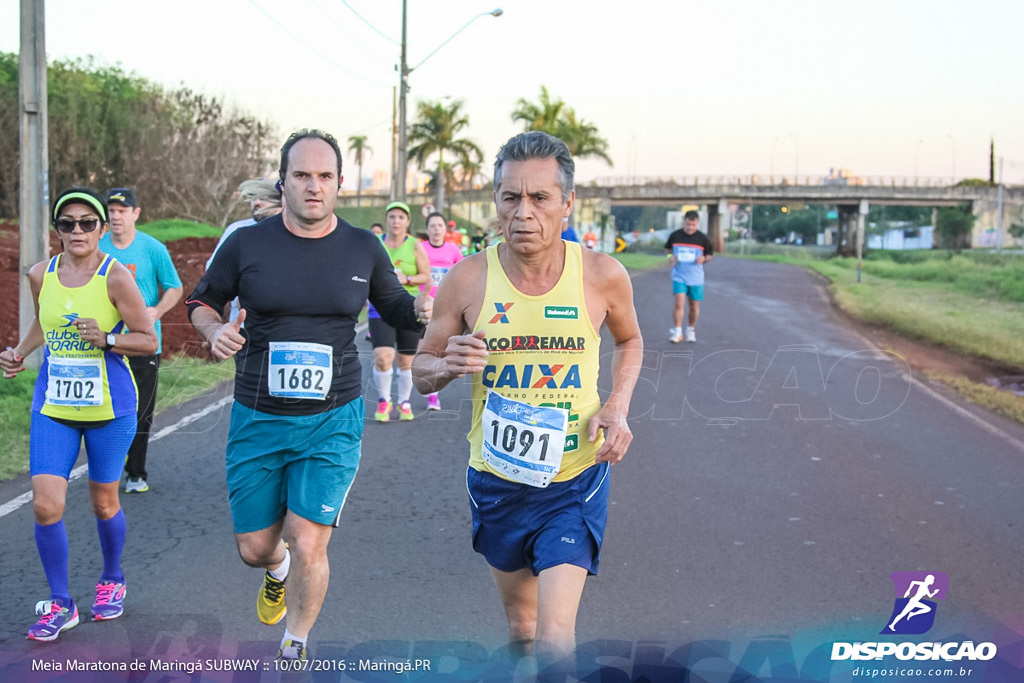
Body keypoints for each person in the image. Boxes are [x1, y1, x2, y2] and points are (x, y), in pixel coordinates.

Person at [185, 129, 430, 661]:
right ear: (284, 182)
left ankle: (294, 643)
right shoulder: (247, 243)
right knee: (255, 548)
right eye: (302, 175)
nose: (313, 186)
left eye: (324, 176)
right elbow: (201, 301)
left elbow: (394, 305)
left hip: (333, 417)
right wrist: (212, 331)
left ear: (340, 184)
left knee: (309, 537)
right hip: (258, 414)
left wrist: (430, 311)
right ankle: (275, 572)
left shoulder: (363, 247)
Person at [412, 131, 643, 669]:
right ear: (495, 201)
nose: (523, 212)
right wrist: (446, 366)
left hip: (574, 478)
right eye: (510, 197)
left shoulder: (602, 275)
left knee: (555, 637)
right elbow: (421, 370)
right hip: (497, 479)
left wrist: (617, 404)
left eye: (539, 198)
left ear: (567, 204)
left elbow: (630, 339)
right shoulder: (468, 279)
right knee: (523, 628)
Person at [1, 187, 158, 641]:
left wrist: (106, 339)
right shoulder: (39, 274)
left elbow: (147, 339)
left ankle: (111, 578)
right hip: (54, 406)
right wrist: (19, 351)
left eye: (87, 222)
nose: (77, 230)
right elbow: (43, 323)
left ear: (101, 228)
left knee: (103, 500)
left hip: (110, 407)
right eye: (67, 223)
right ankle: (61, 603)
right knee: (46, 504)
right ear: (57, 231)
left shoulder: (115, 277)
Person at [99, 188, 183, 493]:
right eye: (111, 210)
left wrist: (156, 310)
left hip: (144, 342)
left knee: (141, 409)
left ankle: (136, 472)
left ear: (136, 213)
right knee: (107, 407)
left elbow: (174, 287)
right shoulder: (98, 246)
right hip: (105, 342)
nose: (115, 216)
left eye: (122, 210)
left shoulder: (153, 249)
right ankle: (109, 463)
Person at [368, 200, 430, 422]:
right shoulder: (375, 243)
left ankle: (404, 402)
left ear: (407, 221)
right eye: (392, 217)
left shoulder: (414, 245)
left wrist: (408, 279)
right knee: (383, 357)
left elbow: (427, 276)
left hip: (408, 307)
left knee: (406, 361)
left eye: (401, 217)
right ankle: (385, 401)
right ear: (386, 220)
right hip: (379, 307)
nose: (396, 221)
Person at [206, 178, 284, 323]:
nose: (257, 203)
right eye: (253, 198)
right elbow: (213, 271)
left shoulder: (290, 232)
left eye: (263, 198)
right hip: (242, 329)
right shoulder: (237, 230)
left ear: (280, 201)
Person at [419, 211, 463, 410]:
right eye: (432, 226)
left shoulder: (453, 250)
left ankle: (433, 396)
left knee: (439, 351)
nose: (436, 229)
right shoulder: (420, 249)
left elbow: (462, 275)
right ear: (427, 229)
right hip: (424, 306)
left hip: (445, 307)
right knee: (423, 351)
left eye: (440, 226)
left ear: (445, 230)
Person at [664, 209, 713, 343]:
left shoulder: (702, 238)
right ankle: (677, 330)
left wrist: (703, 259)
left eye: (693, 225)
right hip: (679, 275)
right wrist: (671, 257)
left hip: (696, 277)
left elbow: (709, 255)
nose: (690, 228)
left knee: (693, 305)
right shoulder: (675, 236)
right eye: (688, 225)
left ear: (697, 224)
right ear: (684, 222)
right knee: (679, 303)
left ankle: (690, 329)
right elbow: (667, 250)